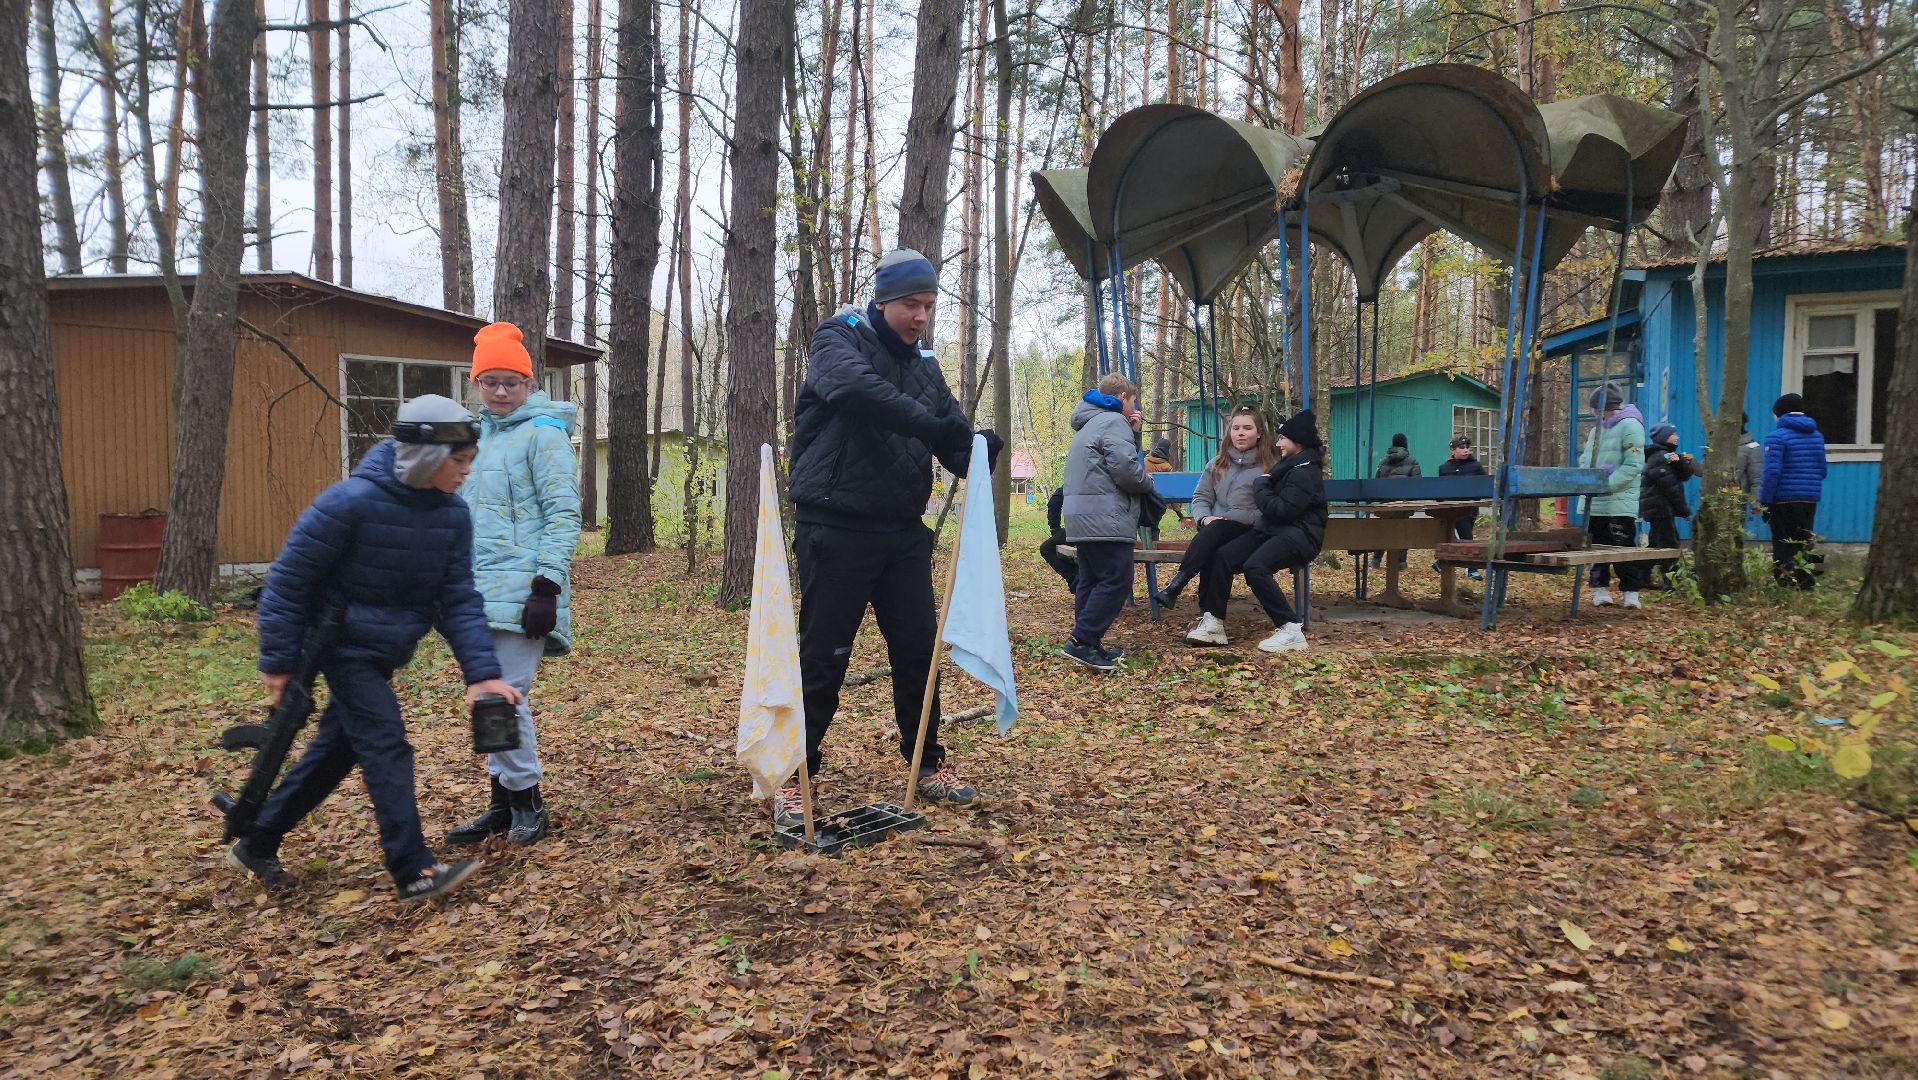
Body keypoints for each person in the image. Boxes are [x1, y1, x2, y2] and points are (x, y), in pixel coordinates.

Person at [230, 395, 521, 904]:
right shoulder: (349, 503)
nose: (465, 473)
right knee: (386, 745)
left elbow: (457, 598)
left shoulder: (451, 516)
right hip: (340, 648)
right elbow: (287, 583)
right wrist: (277, 663)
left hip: (384, 652)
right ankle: (412, 869)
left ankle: (257, 840)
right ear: (426, 456)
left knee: (336, 751)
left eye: (470, 461)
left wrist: (482, 674)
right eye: (459, 460)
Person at [784, 247, 1001, 826]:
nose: (920, 317)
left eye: (929, 306)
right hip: (835, 527)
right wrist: (933, 425)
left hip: (902, 533)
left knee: (917, 652)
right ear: (882, 301)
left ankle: (927, 764)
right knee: (824, 656)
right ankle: (793, 774)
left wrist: (975, 451)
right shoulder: (838, 338)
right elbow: (857, 392)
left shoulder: (924, 366)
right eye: (910, 304)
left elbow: (949, 434)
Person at [443, 323, 581, 849]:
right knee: (486, 697)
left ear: (529, 382)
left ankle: (527, 801)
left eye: (512, 381)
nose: (501, 391)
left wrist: (546, 585)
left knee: (507, 697)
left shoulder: (543, 434)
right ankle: (501, 802)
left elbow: (564, 514)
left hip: (526, 593)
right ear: (476, 383)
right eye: (491, 381)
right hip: (473, 592)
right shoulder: (470, 439)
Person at [1203, 410, 1327, 652]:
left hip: (1299, 536)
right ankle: (1214, 624)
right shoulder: (1291, 466)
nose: (1278, 443)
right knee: (1224, 556)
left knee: (1255, 567)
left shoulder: (1304, 471)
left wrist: (1260, 486)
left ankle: (1290, 628)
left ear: (1297, 442)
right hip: (1275, 531)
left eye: (1283, 438)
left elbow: (1281, 511)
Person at [1148, 405, 1275, 631]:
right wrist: (1204, 518)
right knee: (1214, 543)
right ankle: (1209, 618)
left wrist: (1234, 519)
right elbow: (1201, 498)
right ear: (1229, 433)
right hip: (1216, 530)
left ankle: (1178, 585)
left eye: (1247, 428)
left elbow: (1272, 506)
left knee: (1215, 535)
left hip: (1251, 531)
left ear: (1259, 433)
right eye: (1235, 428)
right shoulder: (1217, 464)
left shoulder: (1269, 466)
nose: (1241, 433)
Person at [1059, 373, 1153, 671]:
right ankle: (1082, 640)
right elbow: (1126, 470)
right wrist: (1148, 482)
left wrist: (1134, 434)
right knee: (1116, 579)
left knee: (1091, 578)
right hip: (1106, 517)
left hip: (1081, 515)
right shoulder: (1113, 422)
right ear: (1123, 397)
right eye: (1133, 400)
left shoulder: (1089, 423)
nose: (1134, 406)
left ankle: (1089, 643)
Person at [1577, 383, 1647, 609]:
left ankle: (1630, 592)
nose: (1594, 413)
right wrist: (1587, 478)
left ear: (1605, 407)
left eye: (1596, 409)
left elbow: (1634, 464)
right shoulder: (1596, 430)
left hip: (1618, 500)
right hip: (1595, 500)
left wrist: (1608, 485)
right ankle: (1600, 589)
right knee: (1596, 547)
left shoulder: (1630, 426)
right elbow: (1585, 458)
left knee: (1622, 547)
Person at [1759, 393, 1827, 590]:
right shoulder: (1817, 436)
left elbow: (1772, 472)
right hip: (1809, 498)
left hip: (1783, 499)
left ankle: (1785, 582)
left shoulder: (1776, 438)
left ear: (1780, 413)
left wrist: (1766, 500)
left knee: (1783, 542)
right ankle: (1805, 581)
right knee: (1803, 540)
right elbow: (1822, 469)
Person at [1639, 422, 1700, 585]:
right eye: (1673, 434)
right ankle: (1671, 582)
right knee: (1669, 546)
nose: (1677, 437)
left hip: (1658, 509)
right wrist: (1686, 511)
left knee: (1654, 545)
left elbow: (1685, 476)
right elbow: (1671, 489)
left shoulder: (1666, 456)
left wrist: (1679, 462)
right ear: (1665, 437)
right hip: (1660, 509)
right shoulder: (1660, 458)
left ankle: (1641, 576)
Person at [1038, 485, 1079, 592]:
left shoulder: (1074, 477)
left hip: (1077, 530)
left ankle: (1074, 578)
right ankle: (1076, 578)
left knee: (1046, 549)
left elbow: (1055, 499)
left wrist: (1054, 528)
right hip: (1110, 530)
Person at [1734, 412, 1764, 503]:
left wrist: (1755, 502)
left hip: (1737, 501)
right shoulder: (1718, 446)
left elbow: (1757, 477)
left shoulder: (1752, 447)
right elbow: (1704, 471)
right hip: (1714, 499)